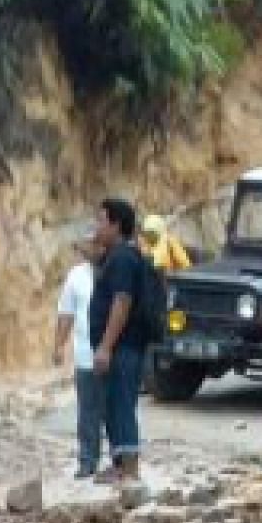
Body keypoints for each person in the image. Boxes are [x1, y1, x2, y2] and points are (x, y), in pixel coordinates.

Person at [90, 198, 148, 484]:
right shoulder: (115, 256)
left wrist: (105, 346)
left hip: (123, 347)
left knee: (122, 403)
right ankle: (118, 464)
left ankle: (129, 468)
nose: (96, 227)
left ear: (116, 224)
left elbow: (122, 302)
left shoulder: (124, 258)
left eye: (101, 221)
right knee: (112, 403)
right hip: (119, 347)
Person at [54, 226, 103, 479]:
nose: (90, 249)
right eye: (88, 244)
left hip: (114, 356)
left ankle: (121, 461)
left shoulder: (115, 272)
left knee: (115, 411)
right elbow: (66, 312)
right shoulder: (76, 276)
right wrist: (59, 345)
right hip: (84, 355)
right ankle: (88, 461)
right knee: (87, 412)